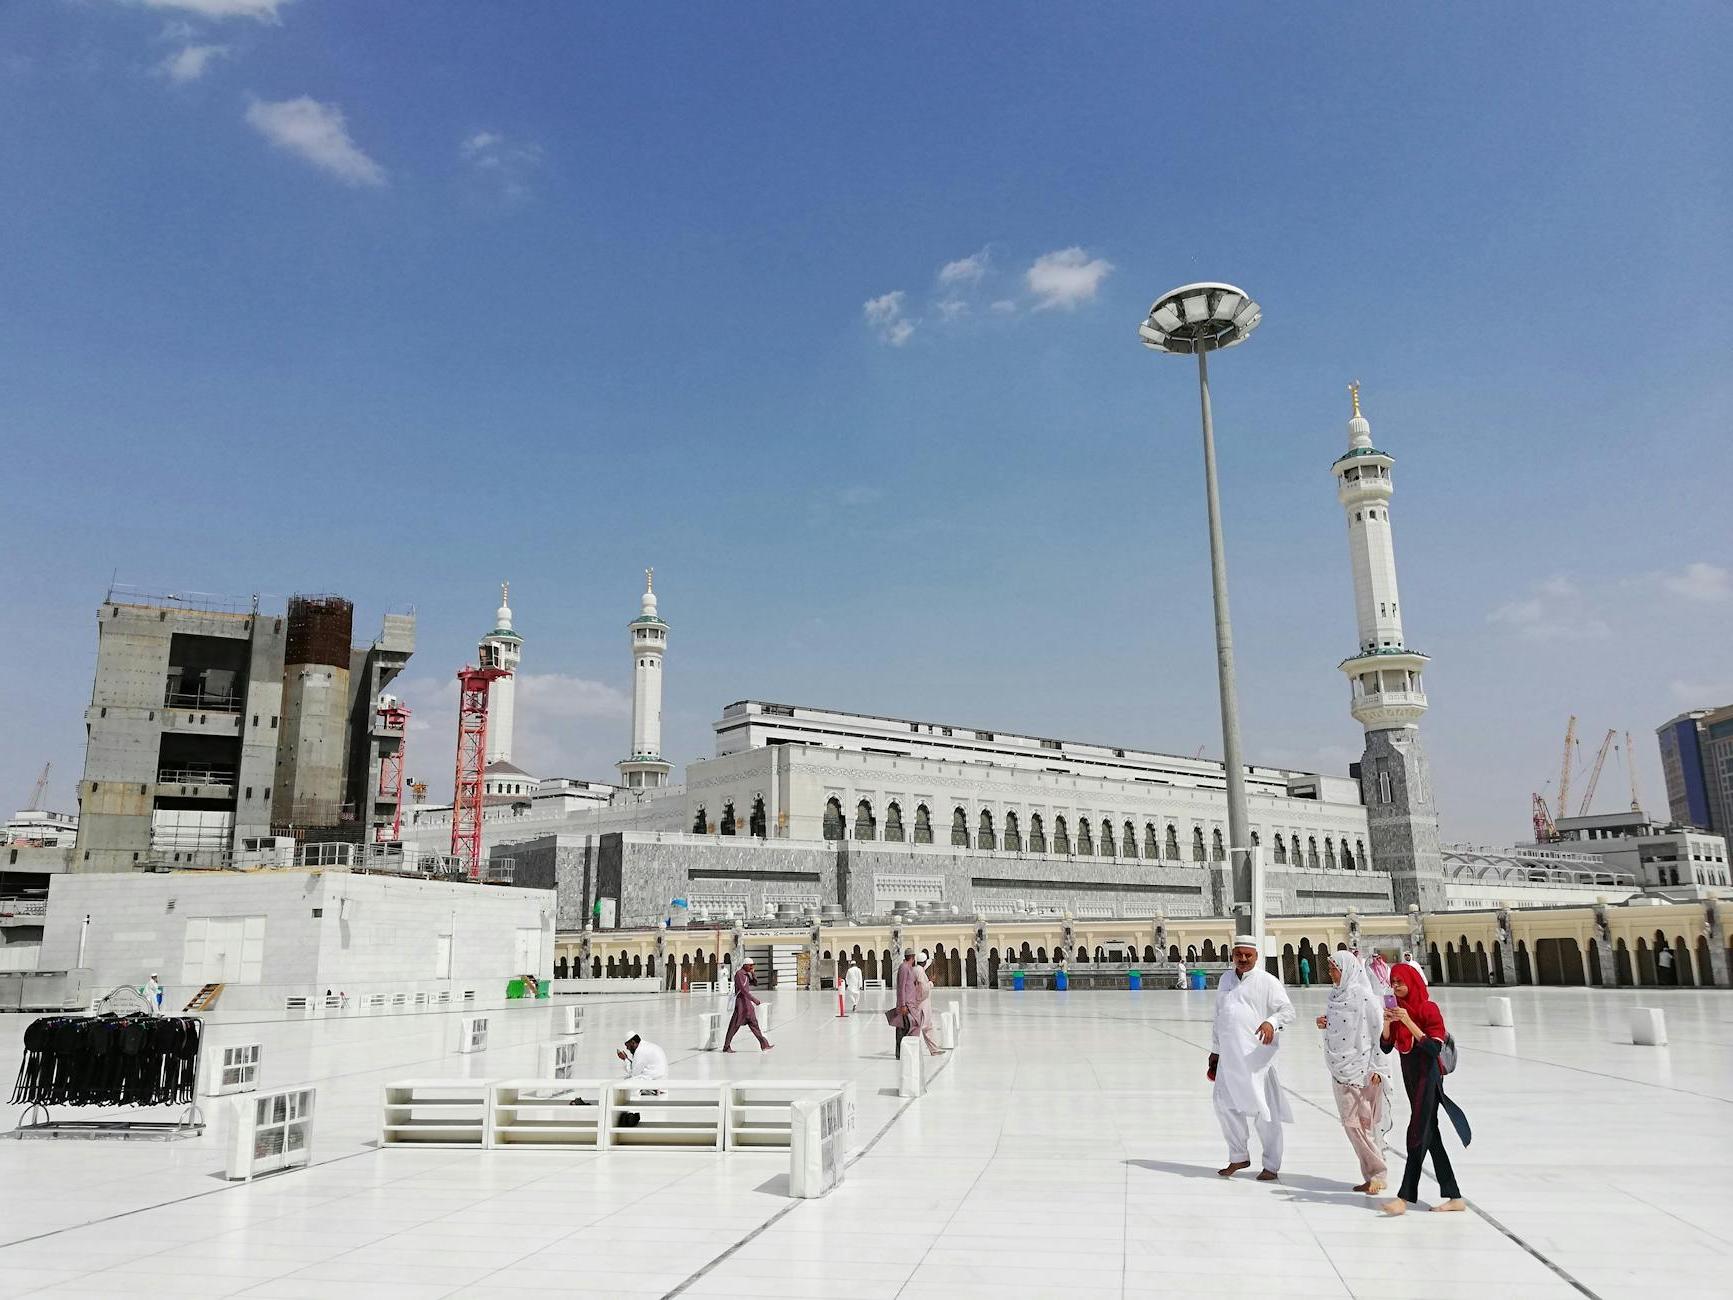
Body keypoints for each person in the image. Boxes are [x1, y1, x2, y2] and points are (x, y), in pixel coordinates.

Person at [1380, 962, 1469, 1216]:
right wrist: (1388, 1023)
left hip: (1428, 1078)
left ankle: (1404, 1198)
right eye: (1393, 982)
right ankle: (1454, 1196)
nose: (1396, 986)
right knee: (1431, 1136)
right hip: (1411, 1077)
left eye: (1400, 982)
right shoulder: (1399, 1011)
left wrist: (1409, 1022)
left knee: (1417, 1133)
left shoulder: (1427, 1009)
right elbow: (1386, 1047)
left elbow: (1433, 1048)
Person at [1208, 935, 1294, 1181]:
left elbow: (1287, 1011)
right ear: (1232, 955)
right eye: (1239, 955)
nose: (1243, 959)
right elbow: (1219, 1015)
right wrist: (1215, 1050)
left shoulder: (1267, 981)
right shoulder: (1226, 979)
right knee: (1223, 1104)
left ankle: (1271, 1164)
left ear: (1256, 956)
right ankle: (1238, 1156)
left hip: (1256, 1058)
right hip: (1228, 1056)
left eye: (1248, 955)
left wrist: (1271, 1022)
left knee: (1264, 1112)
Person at [1316, 949, 1393, 1194]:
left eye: (1334, 969)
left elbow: (1378, 1033)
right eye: (1329, 969)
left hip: (1363, 1071)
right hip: (1339, 1068)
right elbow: (1341, 1030)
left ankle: (1378, 1173)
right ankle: (1371, 1175)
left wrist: (1379, 1068)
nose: (1331, 974)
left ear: (1347, 970)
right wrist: (1325, 1024)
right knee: (1354, 1125)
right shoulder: (1335, 996)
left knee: (1359, 1125)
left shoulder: (1365, 998)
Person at [723, 957, 772, 1052]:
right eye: (750, 965)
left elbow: (755, 983)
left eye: (752, 966)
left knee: (754, 1024)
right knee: (734, 1026)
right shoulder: (739, 974)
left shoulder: (746, 974)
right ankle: (726, 1046)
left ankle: (764, 1045)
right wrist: (754, 1000)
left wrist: (753, 973)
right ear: (745, 965)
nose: (751, 967)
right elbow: (744, 990)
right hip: (741, 1004)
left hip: (747, 1004)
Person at [914, 952, 943, 1056]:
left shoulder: (917, 969)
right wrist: (931, 982)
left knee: (927, 1026)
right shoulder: (920, 972)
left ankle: (934, 1049)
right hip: (922, 1003)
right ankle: (913, 1049)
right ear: (924, 962)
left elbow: (924, 966)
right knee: (921, 1026)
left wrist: (931, 961)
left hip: (922, 1003)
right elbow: (923, 989)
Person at [892, 948, 920, 1057]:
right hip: (905, 1005)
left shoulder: (909, 968)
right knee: (903, 1029)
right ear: (913, 957)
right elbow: (901, 986)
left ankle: (905, 1052)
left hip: (910, 1004)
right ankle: (900, 1053)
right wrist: (902, 1004)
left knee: (907, 1027)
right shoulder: (904, 967)